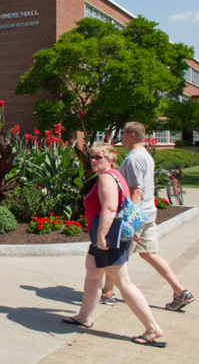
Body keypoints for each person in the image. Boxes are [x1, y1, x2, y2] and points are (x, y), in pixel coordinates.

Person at [62, 142, 166, 348]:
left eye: (99, 157)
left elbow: (110, 209)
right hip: (109, 235)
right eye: (92, 157)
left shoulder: (107, 178)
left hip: (107, 237)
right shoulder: (117, 176)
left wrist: (102, 238)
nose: (93, 161)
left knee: (123, 283)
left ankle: (152, 328)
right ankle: (84, 316)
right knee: (92, 273)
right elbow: (125, 204)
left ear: (110, 159)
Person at [101, 122, 195, 311]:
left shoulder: (133, 159)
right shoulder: (145, 156)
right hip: (148, 212)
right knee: (148, 253)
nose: (121, 135)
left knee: (115, 254)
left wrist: (130, 222)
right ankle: (180, 291)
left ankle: (108, 293)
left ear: (131, 136)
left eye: (123, 132)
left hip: (137, 214)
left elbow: (136, 191)